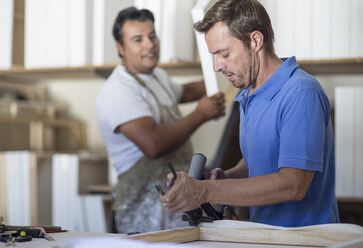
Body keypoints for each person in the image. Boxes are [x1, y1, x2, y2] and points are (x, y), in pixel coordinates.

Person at [160, 0, 340, 227]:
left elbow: (293, 185)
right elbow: (259, 160)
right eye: (213, 55)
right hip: (266, 237)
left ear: (255, 41)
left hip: (307, 240)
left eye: (223, 54)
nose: (216, 66)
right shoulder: (249, 94)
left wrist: (206, 190)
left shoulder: (301, 93)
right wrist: (227, 177)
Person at [95, 7, 225, 233]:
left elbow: (184, 92)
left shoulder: (157, 76)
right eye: (138, 39)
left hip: (174, 208)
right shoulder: (117, 91)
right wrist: (200, 114)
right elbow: (153, 144)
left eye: (152, 35)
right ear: (120, 48)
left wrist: (225, 73)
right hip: (141, 216)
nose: (150, 44)